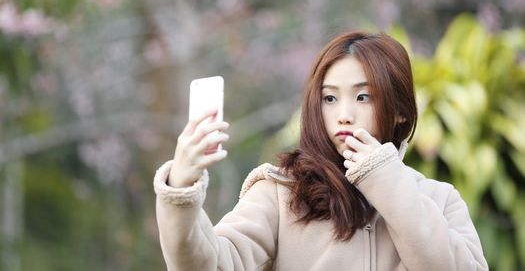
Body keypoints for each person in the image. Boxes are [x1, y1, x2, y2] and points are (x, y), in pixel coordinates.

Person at [153, 31, 488, 270]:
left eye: (363, 97)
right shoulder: (280, 193)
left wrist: (385, 180)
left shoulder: (439, 199)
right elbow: (208, 265)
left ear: (400, 110)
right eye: (330, 98)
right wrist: (181, 187)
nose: (343, 113)